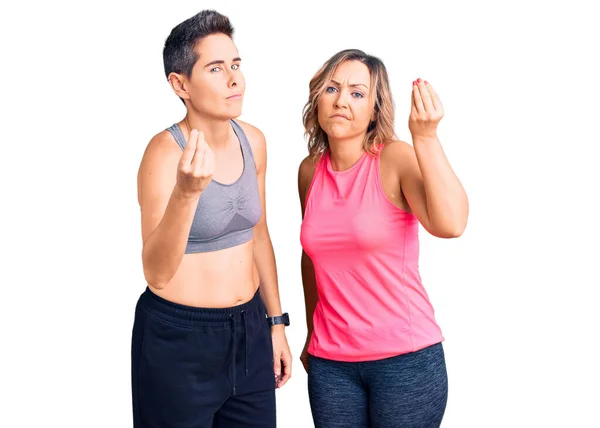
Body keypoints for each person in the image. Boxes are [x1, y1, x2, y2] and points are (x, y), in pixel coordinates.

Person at [131, 10, 291, 428]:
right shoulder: (163, 154)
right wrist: (187, 192)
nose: (234, 79)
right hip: (179, 343)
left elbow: (259, 234)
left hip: (251, 333)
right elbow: (157, 272)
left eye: (236, 65)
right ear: (180, 84)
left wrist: (276, 324)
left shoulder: (253, 139)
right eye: (216, 68)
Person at [298, 49, 469, 427]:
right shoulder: (309, 171)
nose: (342, 100)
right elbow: (312, 258)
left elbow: (452, 223)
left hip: (404, 361)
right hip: (331, 365)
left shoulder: (393, 158)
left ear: (375, 109)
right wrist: (312, 333)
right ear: (318, 98)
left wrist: (425, 137)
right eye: (332, 88)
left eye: (357, 93)